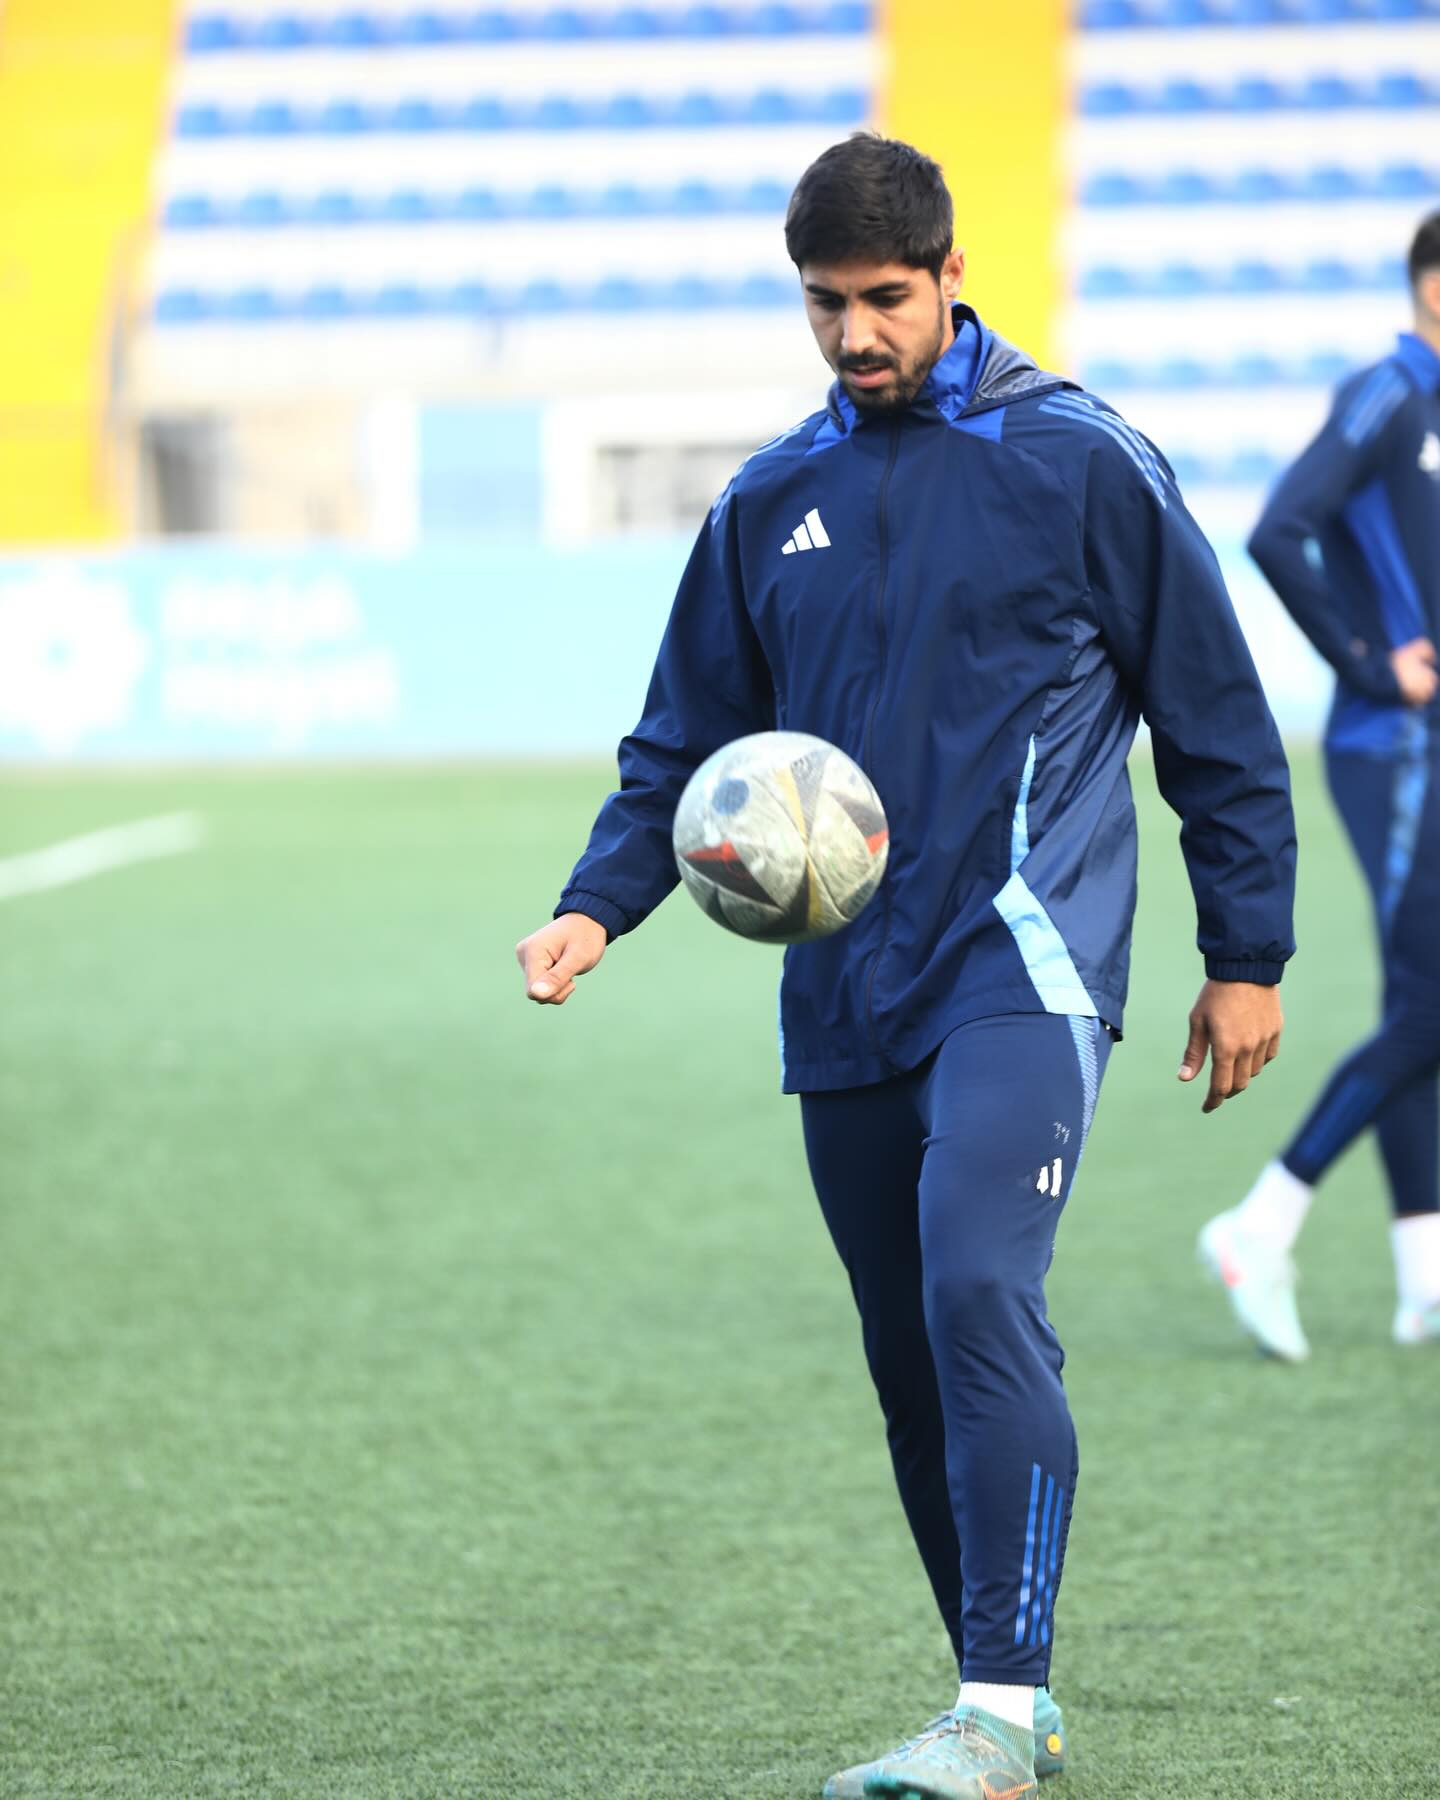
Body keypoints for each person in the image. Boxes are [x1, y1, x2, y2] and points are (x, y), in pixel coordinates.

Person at [515, 134, 1296, 1800]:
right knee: (908, 1356)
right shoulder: (767, 497)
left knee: (974, 1290)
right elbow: (683, 740)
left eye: (883, 298)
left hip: (1024, 958)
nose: (855, 333)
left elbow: (1215, 718)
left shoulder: (1080, 459)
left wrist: (1248, 952)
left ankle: (996, 1713)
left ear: (950, 276)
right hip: (842, 988)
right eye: (824, 304)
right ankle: (1003, 1689)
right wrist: (598, 904)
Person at [1200, 212, 1440, 1362]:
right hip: (1395, 746)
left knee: (1420, 1004)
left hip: (1425, 746)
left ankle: (1425, 1278)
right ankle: (1262, 1221)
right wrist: (1371, 664)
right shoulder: (1388, 393)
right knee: (1430, 1008)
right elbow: (1277, 530)